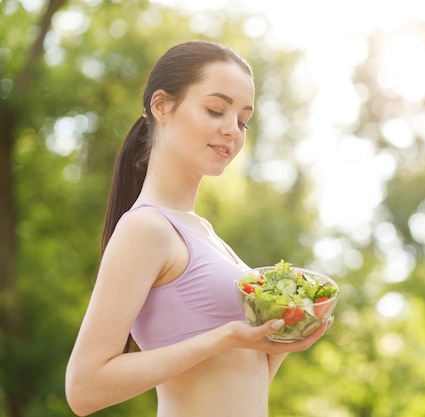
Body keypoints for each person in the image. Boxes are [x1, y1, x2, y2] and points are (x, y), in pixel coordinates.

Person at [65, 40, 332, 417]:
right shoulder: (147, 227)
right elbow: (84, 387)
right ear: (161, 106)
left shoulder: (207, 236)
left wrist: (281, 339)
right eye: (215, 110)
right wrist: (224, 338)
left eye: (242, 120)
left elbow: (235, 386)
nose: (232, 131)